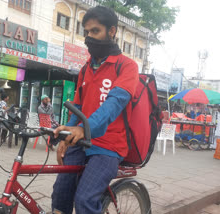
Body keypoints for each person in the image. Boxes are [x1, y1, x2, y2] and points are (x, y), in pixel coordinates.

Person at [51, 6, 139, 214]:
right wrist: (66, 135)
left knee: (85, 200)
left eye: (95, 31)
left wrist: (84, 127)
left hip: (108, 146)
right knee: (60, 194)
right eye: (87, 32)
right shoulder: (86, 68)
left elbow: (114, 103)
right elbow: (78, 107)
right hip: (81, 141)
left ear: (112, 31)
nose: (89, 37)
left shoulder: (127, 66)